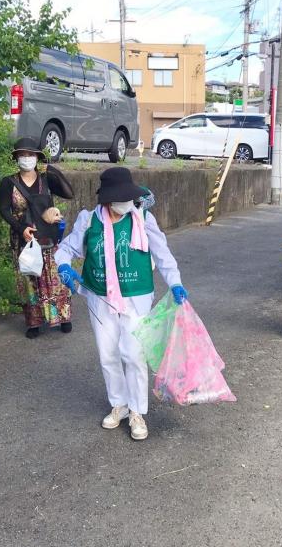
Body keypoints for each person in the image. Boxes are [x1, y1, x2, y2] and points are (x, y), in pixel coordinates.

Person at [55, 167, 188, 441]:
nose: (125, 203)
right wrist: (64, 267)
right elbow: (66, 250)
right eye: (119, 199)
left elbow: (163, 254)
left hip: (136, 296)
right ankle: (120, 405)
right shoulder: (89, 221)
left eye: (128, 198)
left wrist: (174, 282)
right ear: (106, 200)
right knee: (108, 354)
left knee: (133, 354)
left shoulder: (142, 218)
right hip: (99, 296)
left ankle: (138, 411)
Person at [0, 137, 75, 339]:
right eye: (22, 155)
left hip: (48, 235)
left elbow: (69, 193)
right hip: (24, 237)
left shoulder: (45, 179)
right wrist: (20, 227)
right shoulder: (9, 183)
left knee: (54, 275)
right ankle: (34, 322)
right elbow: (4, 210)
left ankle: (63, 316)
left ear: (37, 157)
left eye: (31, 155)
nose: (26, 158)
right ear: (16, 158)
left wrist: (53, 170)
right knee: (29, 276)